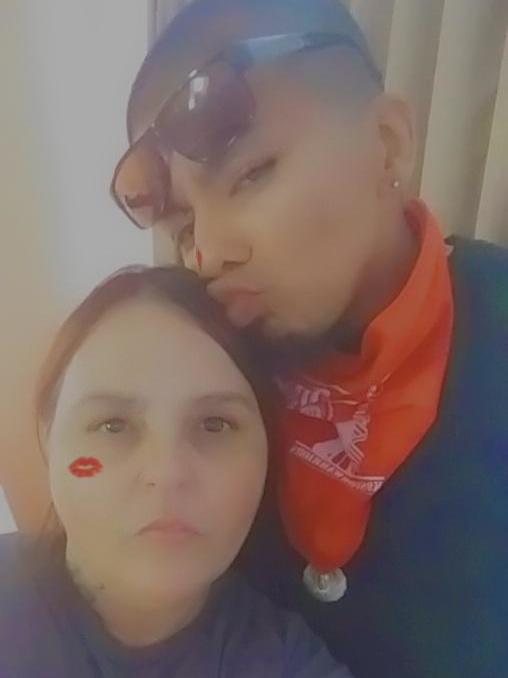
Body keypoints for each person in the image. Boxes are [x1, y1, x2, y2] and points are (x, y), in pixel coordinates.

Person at [111, 1, 508, 676]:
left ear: (388, 143)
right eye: (185, 228)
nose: (209, 252)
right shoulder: (211, 374)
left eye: (250, 175)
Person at [0, 266, 351, 677]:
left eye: (215, 424)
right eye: (112, 425)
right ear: (49, 440)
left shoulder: (287, 663)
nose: (167, 472)